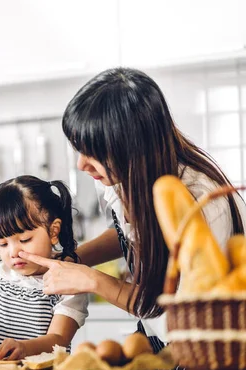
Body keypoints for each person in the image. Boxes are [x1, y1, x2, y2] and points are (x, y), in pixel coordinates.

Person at [19, 67, 246, 352]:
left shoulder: (202, 205)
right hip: (155, 340)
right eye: (79, 149)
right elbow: (130, 233)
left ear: (133, 148)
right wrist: (72, 258)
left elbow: (189, 324)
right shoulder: (125, 176)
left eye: (94, 153)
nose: (81, 165)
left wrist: (92, 280)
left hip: (204, 350)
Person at [0, 175, 88, 360]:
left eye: (24, 240)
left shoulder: (68, 282)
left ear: (53, 231)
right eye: (3, 244)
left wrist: (25, 348)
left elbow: (59, 338)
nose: (13, 252)